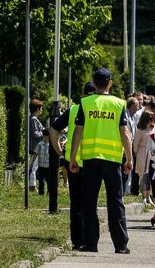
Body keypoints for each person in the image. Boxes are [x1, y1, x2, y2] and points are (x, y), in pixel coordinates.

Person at [69, 68, 132, 254]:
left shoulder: (85, 103)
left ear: (94, 83)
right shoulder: (118, 104)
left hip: (90, 159)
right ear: (110, 83)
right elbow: (125, 134)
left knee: (89, 202)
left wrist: (73, 158)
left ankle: (90, 243)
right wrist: (129, 158)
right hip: (112, 160)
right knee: (115, 202)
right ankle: (120, 245)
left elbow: (78, 132)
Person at [49, 81, 96, 249]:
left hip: (73, 161)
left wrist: (59, 150)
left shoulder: (74, 109)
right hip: (93, 161)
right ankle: (90, 239)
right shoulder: (99, 109)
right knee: (90, 202)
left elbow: (53, 129)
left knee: (76, 202)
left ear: (83, 94)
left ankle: (77, 240)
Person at [28, 99, 44, 192]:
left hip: (35, 147)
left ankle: (32, 185)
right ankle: (32, 186)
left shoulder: (34, 119)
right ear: (37, 109)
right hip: (35, 147)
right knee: (33, 166)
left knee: (34, 166)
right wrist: (44, 132)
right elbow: (35, 134)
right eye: (41, 108)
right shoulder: (34, 120)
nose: (41, 110)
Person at [31, 129, 51, 195]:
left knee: (49, 180)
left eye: (46, 136)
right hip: (41, 165)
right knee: (41, 181)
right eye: (44, 136)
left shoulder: (51, 145)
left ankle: (49, 192)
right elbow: (35, 154)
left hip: (49, 166)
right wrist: (32, 163)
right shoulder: (40, 144)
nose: (44, 138)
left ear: (49, 136)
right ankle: (41, 193)